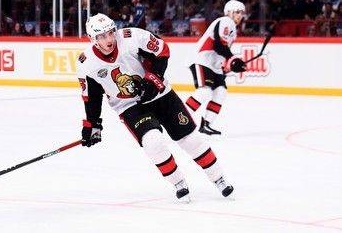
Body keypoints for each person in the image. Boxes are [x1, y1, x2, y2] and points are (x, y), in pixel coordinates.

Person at [76, 13, 234, 202]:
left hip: (161, 94)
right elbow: (91, 97)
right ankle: (178, 182)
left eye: (110, 33)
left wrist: (154, 78)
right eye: (102, 36)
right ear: (93, 39)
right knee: (153, 142)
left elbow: (162, 50)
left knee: (190, 139)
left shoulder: (132, 37)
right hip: (129, 106)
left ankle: (219, 178)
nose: (109, 39)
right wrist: (92, 125)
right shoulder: (86, 63)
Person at [185, 0, 247, 135]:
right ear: (229, 12)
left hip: (214, 65)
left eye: (241, 13)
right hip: (202, 60)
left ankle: (206, 124)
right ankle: (179, 119)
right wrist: (233, 59)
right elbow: (218, 45)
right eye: (237, 12)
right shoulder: (226, 21)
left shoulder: (233, 29)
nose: (239, 15)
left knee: (220, 92)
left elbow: (221, 50)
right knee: (205, 91)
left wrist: (228, 66)